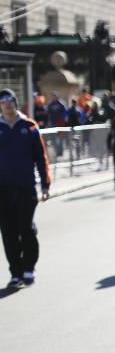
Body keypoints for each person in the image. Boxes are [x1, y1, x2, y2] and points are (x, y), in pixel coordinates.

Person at [0, 89, 50, 289]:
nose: (7, 104)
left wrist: (45, 185)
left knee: (25, 228)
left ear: (15, 102)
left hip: (26, 187)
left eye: (10, 100)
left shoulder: (29, 126)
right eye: (2, 101)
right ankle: (16, 272)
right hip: (3, 189)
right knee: (8, 232)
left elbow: (41, 157)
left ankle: (29, 267)